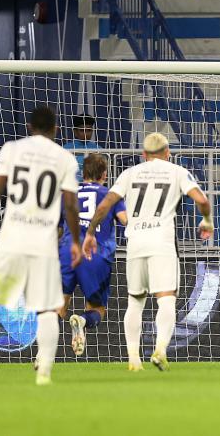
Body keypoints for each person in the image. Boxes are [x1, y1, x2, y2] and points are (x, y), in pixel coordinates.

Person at [83, 133, 213, 372]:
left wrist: (90, 233)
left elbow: (104, 205)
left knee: (135, 301)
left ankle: (133, 359)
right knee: (166, 299)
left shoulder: (129, 173)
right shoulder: (176, 171)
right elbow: (202, 200)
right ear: (167, 152)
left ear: (143, 155)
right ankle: (160, 350)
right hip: (161, 242)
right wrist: (206, 220)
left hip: (135, 243)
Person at [0, 106, 82, 386]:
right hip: (43, 244)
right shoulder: (65, 158)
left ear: (30, 127)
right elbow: (70, 204)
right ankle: (43, 372)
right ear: (55, 129)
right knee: (46, 309)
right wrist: (76, 241)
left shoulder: (11, 149)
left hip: (10, 240)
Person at [59, 153, 128, 357]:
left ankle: (43, 353)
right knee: (97, 309)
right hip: (96, 253)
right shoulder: (110, 195)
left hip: (67, 252)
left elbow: (57, 227)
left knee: (60, 306)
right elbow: (125, 220)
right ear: (104, 174)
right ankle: (82, 321)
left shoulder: (68, 194)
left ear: (84, 172)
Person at [63, 114, 100, 180]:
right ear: (75, 131)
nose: (86, 133)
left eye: (89, 130)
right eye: (82, 130)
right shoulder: (66, 149)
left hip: (92, 185)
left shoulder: (99, 149)